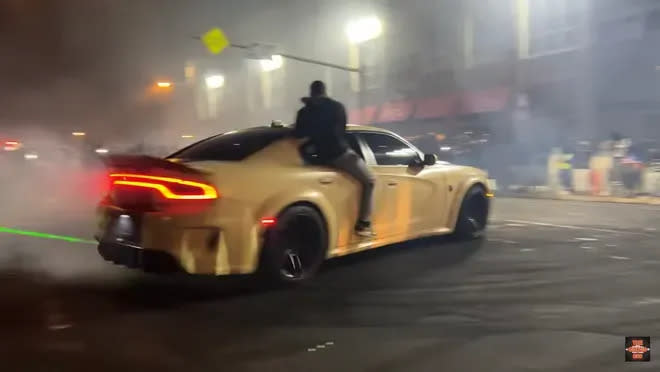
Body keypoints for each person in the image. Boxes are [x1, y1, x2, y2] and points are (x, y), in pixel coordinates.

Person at [293, 81, 375, 237]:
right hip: (339, 154)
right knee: (369, 181)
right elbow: (341, 131)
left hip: (315, 157)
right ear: (324, 91)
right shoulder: (336, 107)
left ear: (311, 92)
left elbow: (298, 134)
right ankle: (364, 224)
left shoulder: (303, 112)